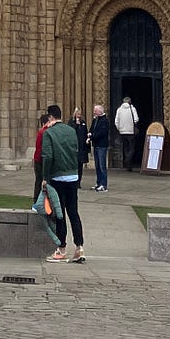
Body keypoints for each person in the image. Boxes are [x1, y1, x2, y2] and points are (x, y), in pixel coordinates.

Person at [40, 104, 85, 264]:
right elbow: (76, 149)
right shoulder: (71, 130)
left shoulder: (49, 133)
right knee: (74, 213)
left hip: (58, 178)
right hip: (73, 176)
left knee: (60, 214)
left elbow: (47, 156)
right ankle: (79, 247)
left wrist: (45, 177)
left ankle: (61, 249)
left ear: (50, 117)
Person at [114, 94, 140, 172]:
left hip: (122, 132)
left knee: (125, 147)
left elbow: (116, 121)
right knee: (132, 147)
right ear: (130, 102)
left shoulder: (119, 109)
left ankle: (128, 164)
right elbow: (136, 119)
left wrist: (120, 129)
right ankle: (128, 159)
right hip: (131, 131)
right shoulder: (132, 109)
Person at [88, 104, 111, 192]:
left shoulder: (104, 121)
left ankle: (103, 184)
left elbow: (101, 133)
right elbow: (92, 129)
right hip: (96, 144)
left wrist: (92, 136)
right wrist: (90, 134)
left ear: (100, 111)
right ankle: (98, 183)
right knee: (97, 166)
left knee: (102, 166)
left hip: (102, 145)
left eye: (95, 110)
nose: (94, 112)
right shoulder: (96, 120)